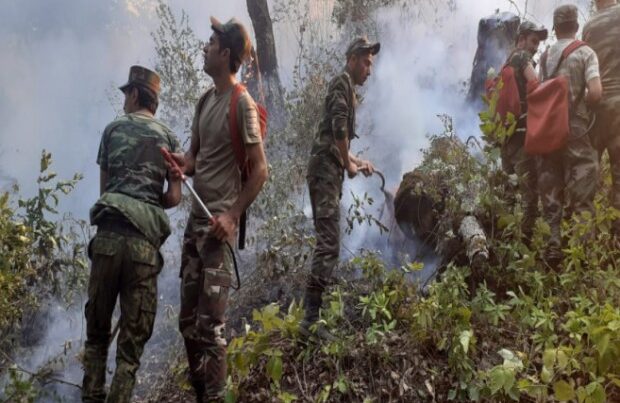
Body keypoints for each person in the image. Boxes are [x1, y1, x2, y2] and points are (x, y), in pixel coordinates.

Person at [169, 17, 268, 402]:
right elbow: (194, 159)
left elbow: (261, 170)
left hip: (215, 233)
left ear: (225, 53)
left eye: (210, 43)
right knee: (187, 325)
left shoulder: (240, 103)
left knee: (211, 330)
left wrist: (232, 216)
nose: (204, 48)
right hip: (194, 227)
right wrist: (179, 161)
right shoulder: (205, 100)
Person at [82, 65, 182, 402]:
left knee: (96, 339)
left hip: (108, 241)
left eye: (127, 93)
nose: (124, 100)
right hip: (142, 250)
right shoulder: (168, 139)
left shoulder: (112, 131)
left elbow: (106, 191)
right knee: (129, 354)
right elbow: (173, 198)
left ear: (136, 94)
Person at [301, 37, 380, 336]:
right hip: (324, 172)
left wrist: (358, 161)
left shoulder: (345, 87)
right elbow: (337, 130)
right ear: (352, 58)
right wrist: (348, 164)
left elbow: (339, 142)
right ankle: (310, 321)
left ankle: (313, 316)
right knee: (329, 243)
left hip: (327, 170)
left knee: (328, 242)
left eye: (370, 64)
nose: (369, 71)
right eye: (366, 62)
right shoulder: (341, 84)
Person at [537, 5, 602, 266]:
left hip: (550, 129)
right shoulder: (586, 52)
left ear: (555, 28)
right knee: (583, 186)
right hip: (576, 130)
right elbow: (596, 92)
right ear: (576, 26)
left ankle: (553, 242)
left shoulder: (545, 57)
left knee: (551, 186)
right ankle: (582, 253)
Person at [501, 21, 548, 242]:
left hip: (506, 138)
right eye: (533, 41)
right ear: (521, 39)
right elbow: (535, 83)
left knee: (508, 192)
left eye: (538, 43)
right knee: (530, 193)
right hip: (521, 137)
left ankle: (503, 239)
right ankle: (526, 244)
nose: (535, 46)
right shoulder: (522, 58)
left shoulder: (508, 61)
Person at [583, 0, 620, 237]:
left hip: (596, 108)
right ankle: (617, 237)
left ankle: (585, 233)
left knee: (588, 174)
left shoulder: (588, 27)